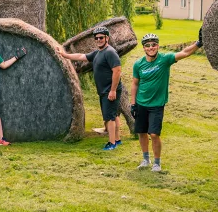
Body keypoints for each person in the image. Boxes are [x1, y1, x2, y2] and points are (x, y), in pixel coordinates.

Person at [131, 29, 202, 172]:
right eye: (148, 45)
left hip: (157, 104)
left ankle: (157, 163)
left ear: (157, 46)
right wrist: (133, 104)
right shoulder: (138, 64)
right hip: (141, 103)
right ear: (144, 48)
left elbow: (185, 52)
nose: (151, 47)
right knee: (141, 132)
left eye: (154, 44)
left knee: (154, 134)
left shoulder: (165, 60)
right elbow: (135, 84)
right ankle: (146, 159)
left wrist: (199, 43)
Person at [56, 26, 123, 151]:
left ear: (107, 38)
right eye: (96, 38)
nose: (98, 40)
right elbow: (82, 56)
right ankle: (117, 140)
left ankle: (112, 143)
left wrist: (113, 90)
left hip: (110, 90)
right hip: (105, 90)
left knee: (109, 117)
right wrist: (65, 55)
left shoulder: (110, 52)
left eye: (101, 37)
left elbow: (117, 70)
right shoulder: (98, 53)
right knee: (113, 115)